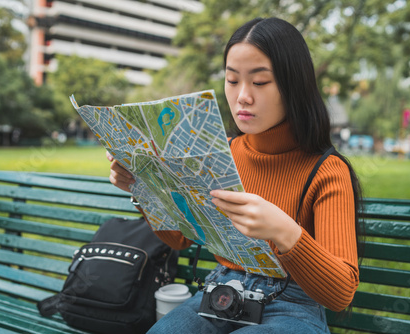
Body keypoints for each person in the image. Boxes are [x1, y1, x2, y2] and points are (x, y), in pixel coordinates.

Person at [107, 17, 362, 334]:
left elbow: (340, 293)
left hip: (293, 306)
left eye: (259, 82)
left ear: (293, 85)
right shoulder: (219, 153)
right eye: (232, 80)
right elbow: (181, 238)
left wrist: (285, 231)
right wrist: (142, 189)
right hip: (220, 292)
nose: (242, 96)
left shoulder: (326, 170)